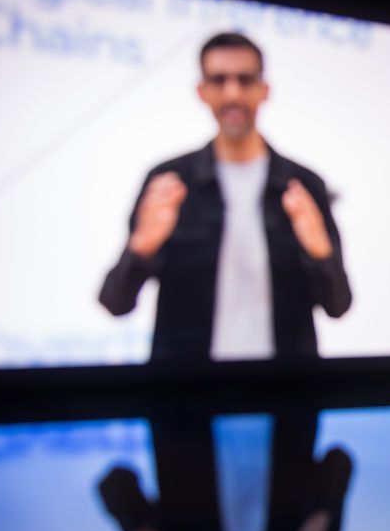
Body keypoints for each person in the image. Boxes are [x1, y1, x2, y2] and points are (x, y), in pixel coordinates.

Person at [99, 32, 351, 362]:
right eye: (219, 80)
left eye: (245, 80)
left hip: (288, 395)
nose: (232, 93)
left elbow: (338, 306)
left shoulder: (303, 184)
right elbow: (116, 303)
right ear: (202, 91)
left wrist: (320, 253)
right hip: (187, 397)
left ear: (264, 90)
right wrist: (142, 247)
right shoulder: (169, 181)